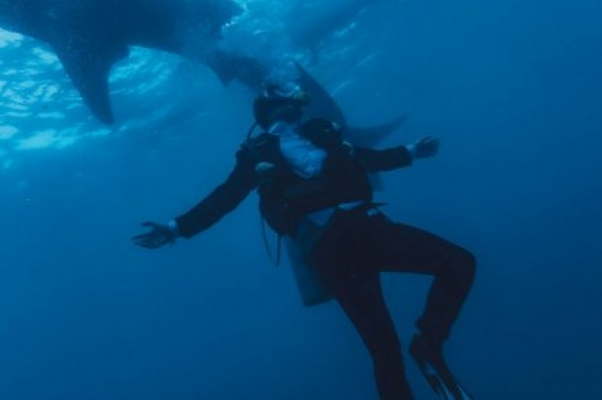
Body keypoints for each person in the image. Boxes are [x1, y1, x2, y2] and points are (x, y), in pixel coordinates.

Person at [134, 82, 476, 400]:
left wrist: (412, 151)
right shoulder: (257, 155)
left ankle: (429, 344)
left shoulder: (327, 136)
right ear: (268, 108)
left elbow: (368, 158)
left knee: (460, 263)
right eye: (287, 94)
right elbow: (225, 197)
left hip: (369, 228)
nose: (296, 99)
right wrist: (176, 227)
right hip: (329, 250)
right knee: (383, 348)